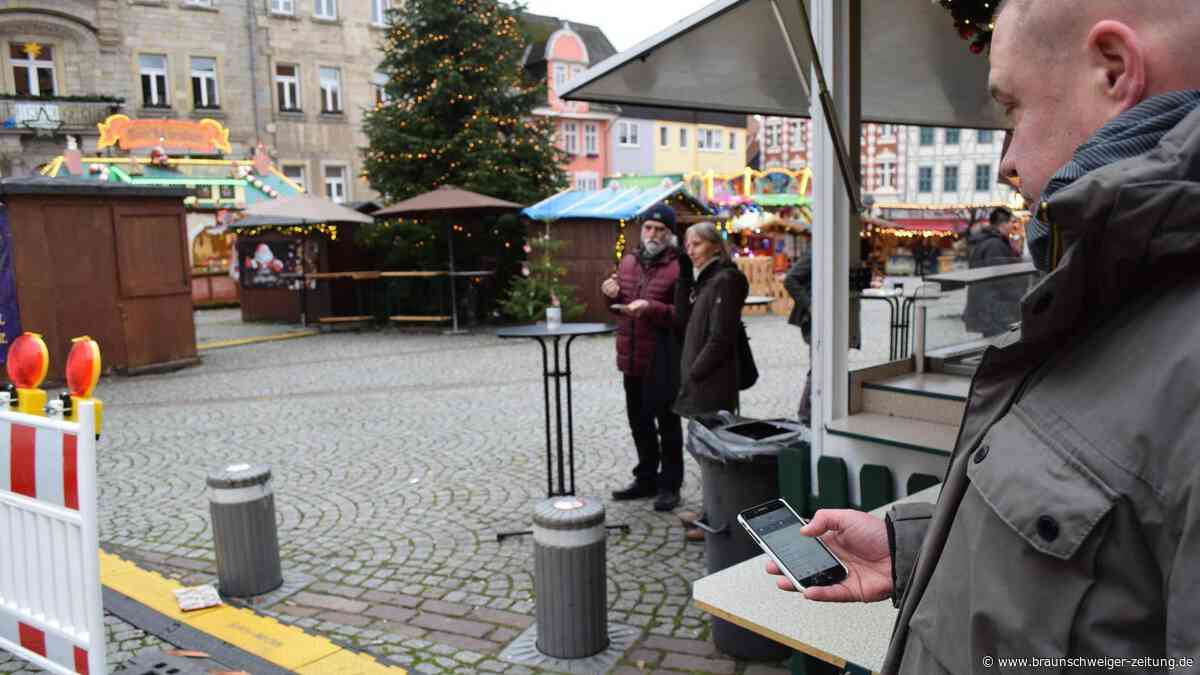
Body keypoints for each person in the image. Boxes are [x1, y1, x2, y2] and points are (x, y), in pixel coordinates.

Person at [767, 1, 1200, 672]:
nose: (1006, 160)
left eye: (1012, 110)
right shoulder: (1110, 291)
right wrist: (909, 544)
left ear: (1114, 71)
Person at [603, 205, 684, 512]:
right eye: (649, 228)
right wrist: (609, 294)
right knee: (639, 422)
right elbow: (616, 305)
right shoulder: (628, 262)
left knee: (668, 424)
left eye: (660, 229)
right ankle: (646, 477)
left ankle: (670, 485)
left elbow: (682, 317)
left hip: (662, 359)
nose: (653, 234)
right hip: (631, 357)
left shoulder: (679, 267)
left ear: (670, 234)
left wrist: (650, 308)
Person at [672, 222, 749, 419]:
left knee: (712, 443)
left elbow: (720, 337)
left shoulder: (726, 280)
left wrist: (694, 372)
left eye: (696, 244)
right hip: (699, 380)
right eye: (687, 246)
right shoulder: (706, 280)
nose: (690, 251)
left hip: (712, 381)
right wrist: (684, 274)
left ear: (715, 246)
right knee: (700, 443)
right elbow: (681, 320)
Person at [962, 207, 1024, 336]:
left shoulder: (990, 241)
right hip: (994, 310)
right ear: (1003, 224)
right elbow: (1001, 279)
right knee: (999, 344)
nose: (1015, 226)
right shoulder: (994, 245)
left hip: (990, 308)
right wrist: (1020, 297)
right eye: (1012, 222)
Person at [782, 254, 812, 425]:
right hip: (815, 320)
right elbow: (790, 280)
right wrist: (810, 304)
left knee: (820, 366)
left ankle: (807, 413)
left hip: (830, 319)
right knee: (819, 367)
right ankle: (806, 415)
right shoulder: (817, 251)